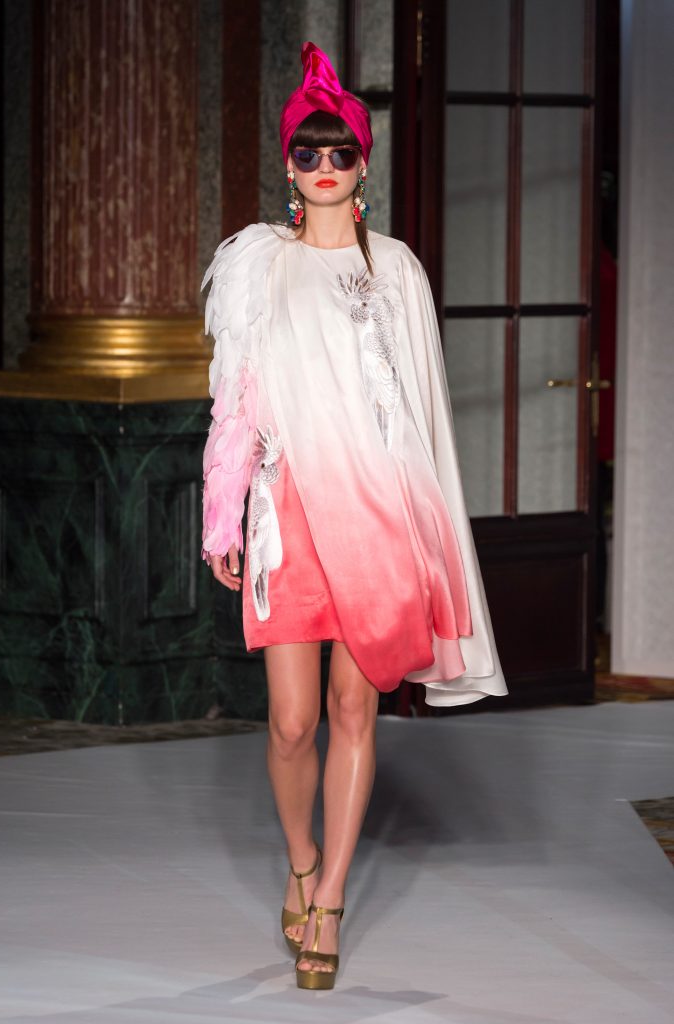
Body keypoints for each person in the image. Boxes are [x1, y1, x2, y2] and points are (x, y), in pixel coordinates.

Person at [200, 41, 508, 991]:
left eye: (341, 152)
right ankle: (300, 859)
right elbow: (234, 402)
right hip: (289, 515)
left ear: (364, 164)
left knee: (351, 708)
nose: (325, 166)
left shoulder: (398, 271)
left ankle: (329, 898)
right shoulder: (258, 265)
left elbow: (424, 415)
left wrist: (432, 538)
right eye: (309, 151)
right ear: (288, 165)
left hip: (378, 519)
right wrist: (221, 518)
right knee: (293, 723)